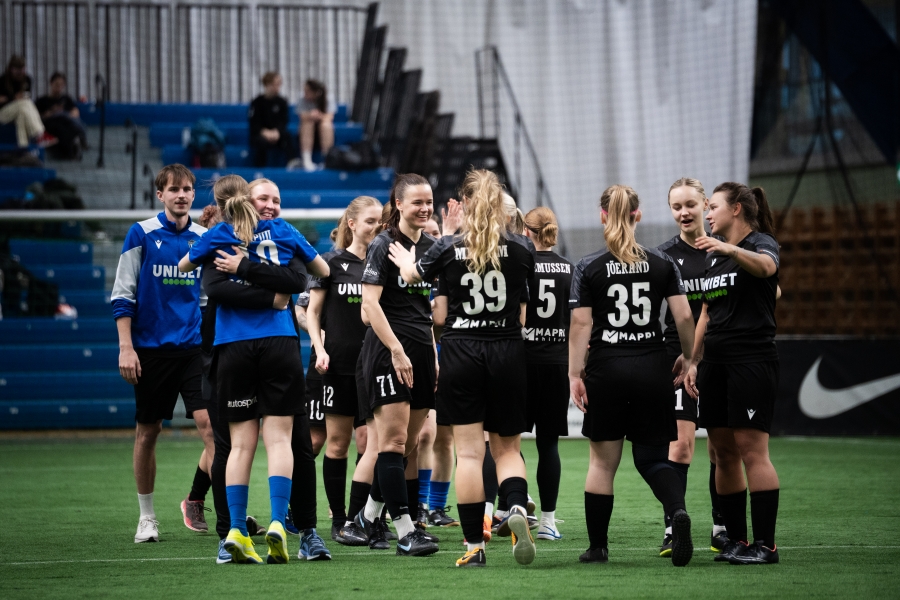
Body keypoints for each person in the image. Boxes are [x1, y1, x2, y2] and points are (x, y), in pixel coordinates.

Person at [389, 168, 538, 568]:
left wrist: (406, 260)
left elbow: (412, 276)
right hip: (507, 351)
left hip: (461, 353)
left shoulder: (448, 246)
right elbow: (524, 302)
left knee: (469, 455)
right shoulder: (523, 247)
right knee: (508, 450)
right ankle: (516, 506)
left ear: (467, 203)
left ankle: (474, 547)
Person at [179, 175, 328, 565]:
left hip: (235, 347)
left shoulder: (221, 235)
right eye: (264, 198)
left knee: (245, 445)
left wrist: (243, 265)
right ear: (246, 199)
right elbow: (309, 275)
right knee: (276, 443)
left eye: (277, 199)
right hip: (271, 344)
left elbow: (186, 265)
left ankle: (242, 532)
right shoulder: (282, 232)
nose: (271, 205)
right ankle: (273, 522)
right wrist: (273, 296)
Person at [568, 184, 698, 566]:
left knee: (602, 464)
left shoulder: (589, 265)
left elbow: (580, 325)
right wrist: (689, 358)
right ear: (637, 215)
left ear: (603, 216)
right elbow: (684, 316)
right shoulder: (663, 262)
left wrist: (574, 373)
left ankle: (598, 548)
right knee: (653, 460)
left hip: (606, 370)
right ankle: (676, 513)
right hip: (653, 369)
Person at [111, 164, 214, 543]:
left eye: (187, 189)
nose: (181, 195)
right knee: (148, 431)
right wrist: (126, 348)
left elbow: (206, 298)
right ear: (160, 195)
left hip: (193, 350)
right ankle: (147, 517)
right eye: (173, 189)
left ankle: (226, 515)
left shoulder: (202, 237)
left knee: (211, 428)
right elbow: (123, 295)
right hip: (150, 351)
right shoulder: (141, 233)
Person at [691, 182, 782, 565]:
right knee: (722, 453)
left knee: (751, 451)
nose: (707, 213)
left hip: (751, 362)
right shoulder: (714, 257)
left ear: (737, 209)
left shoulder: (760, 243)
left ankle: (766, 546)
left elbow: (768, 268)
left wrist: (730, 249)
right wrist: (692, 360)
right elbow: (706, 314)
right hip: (715, 364)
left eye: (713, 207)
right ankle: (737, 541)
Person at [351, 173, 440, 557]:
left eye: (429, 201)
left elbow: (429, 312)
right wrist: (397, 350)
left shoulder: (432, 248)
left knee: (410, 444)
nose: (425, 208)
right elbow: (369, 306)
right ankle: (405, 530)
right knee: (392, 442)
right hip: (388, 353)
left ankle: (367, 516)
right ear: (399, 204)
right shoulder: (383, 244)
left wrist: (431, 354)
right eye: (417, 202)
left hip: (421, 352)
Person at [654, 177, 728, 557]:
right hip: (678, 358)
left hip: (720, 358)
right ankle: (674, 526)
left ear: (705, 205)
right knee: (680, 447)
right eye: (676, 206)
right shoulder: (664, 257)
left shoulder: (724, 251)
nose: (683, 212)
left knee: (720, 449)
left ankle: (721, 527)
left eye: (690, 205)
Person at [307, 196, 383, 542]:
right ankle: (339, 520)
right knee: (337, 444)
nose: (376, 227)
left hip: (375, 365)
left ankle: (365, 517)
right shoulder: (331, 263)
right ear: (352, 224)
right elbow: (312, 312)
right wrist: (320, 348)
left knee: (372, 443)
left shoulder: (384, 263)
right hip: (338, 366)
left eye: (380, 221)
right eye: (369, 221)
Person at [521, 206, 572, 541]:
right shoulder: (570, 268)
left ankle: (515, 500)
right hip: (557, 363)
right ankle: (548, 523)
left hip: (522, 362)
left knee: (507, 440)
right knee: (548, 443)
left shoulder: (521, 265)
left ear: (527, 231)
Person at [0, 55, 53, 148]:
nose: (20, 73)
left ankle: (23, 147)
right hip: (3, 113)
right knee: (24, 103)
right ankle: (40, 134)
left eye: (22, 69)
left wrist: (13, 98)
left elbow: (26, 96)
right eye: (17, 70)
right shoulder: (3, 80)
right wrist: (13, 98)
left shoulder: (27, 79)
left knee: (22, 114)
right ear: (11, 69)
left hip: (20, 110)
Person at [248, 71, 296, 168]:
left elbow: (284, 121)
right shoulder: (257, 102)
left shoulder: (282, 102)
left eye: (279, 85)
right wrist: (264, 132)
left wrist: (277, 131)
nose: (277, 87)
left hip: (277, 134)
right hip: (262, 134)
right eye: (275, 84)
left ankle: (292, 163)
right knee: (260, 142)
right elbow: (254, 123)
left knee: (287, 136)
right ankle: (260, 168)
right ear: (267, 84)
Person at [35, 72, 87, 159]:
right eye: (56, 84)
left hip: (67, 122)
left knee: (69, 127)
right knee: (60, 129)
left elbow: (75, 112)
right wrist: (51, 112)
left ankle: (74, 145)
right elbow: (37, 117)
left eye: (61, 85)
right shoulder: (42, 101)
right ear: (51, 83)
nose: (59, 87)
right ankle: (72, 148)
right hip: (51, 123)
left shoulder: (66, 99)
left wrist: (67, 114)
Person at [297, 79, 334, 172]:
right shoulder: (302, 100)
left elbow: (329, 117)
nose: (305, 94)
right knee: (308, 123)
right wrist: (310, 115)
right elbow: (302, 116)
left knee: (326, 125)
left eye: (308, 91)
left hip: (324, 132)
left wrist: (319, 116)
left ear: (316, 92)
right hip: (307, 133)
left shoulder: (327, 99)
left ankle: (327, 159)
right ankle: (306, 160)